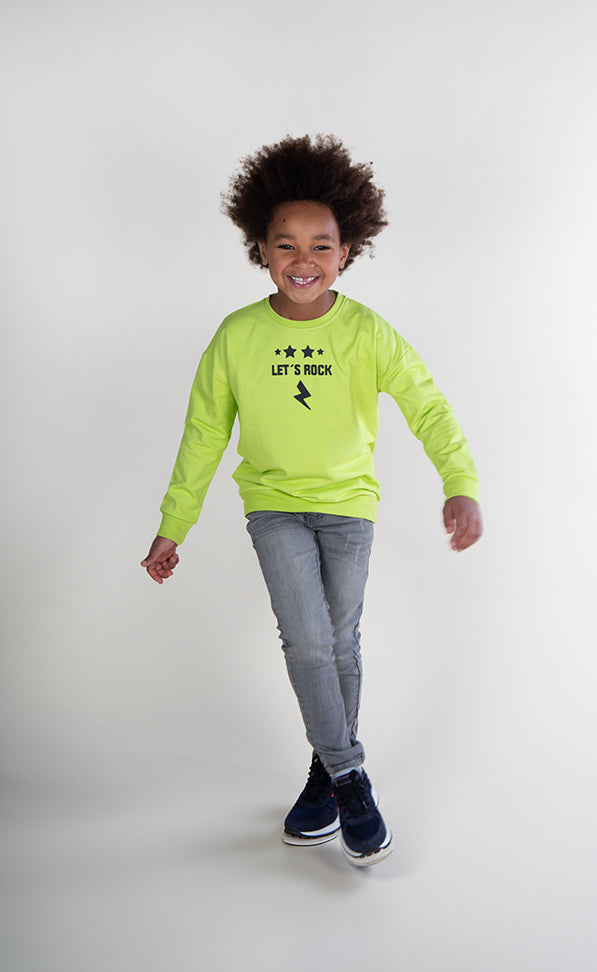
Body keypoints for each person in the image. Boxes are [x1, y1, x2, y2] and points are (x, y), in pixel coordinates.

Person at [141, 134, 483, 867]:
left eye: (321, 245)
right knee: (307, 640)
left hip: (349, 507)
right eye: (286, 244)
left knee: (341, 642)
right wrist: (174, 526)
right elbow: (204, 434)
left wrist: (460, 483)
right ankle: (352, 779)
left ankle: (323, 775)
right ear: (260, 249)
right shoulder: (236, 336)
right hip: (274, 505)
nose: (304, 259)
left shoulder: (366, 332)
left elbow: (428, 406)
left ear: (346, 251)